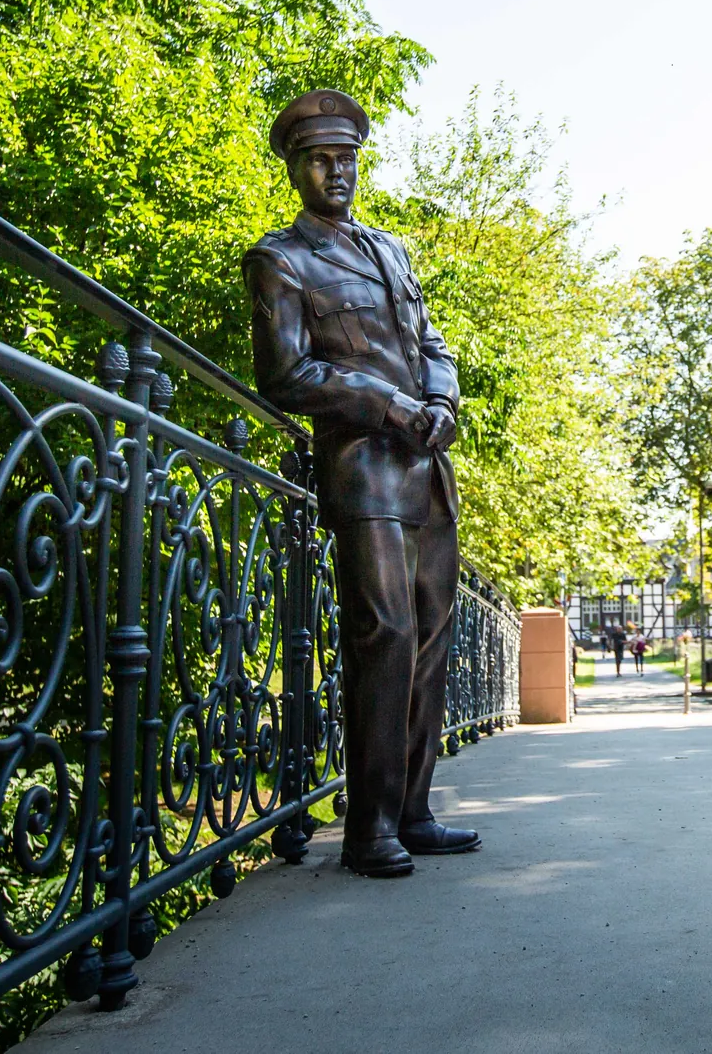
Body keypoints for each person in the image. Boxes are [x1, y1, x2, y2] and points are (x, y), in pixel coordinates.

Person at [244, 89, 480, 879]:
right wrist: (389, 406)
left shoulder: (391, 249)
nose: (336, 170)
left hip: (428, 472)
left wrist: (443, 398)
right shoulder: (281, 259)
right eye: (320, 159)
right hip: (366, 472)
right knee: (384, 640)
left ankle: (414, 810)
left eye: (346, 158)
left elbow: (433, 340)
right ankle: (368, 825)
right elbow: (286, 372)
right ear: (295, 169)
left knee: (430, 643)